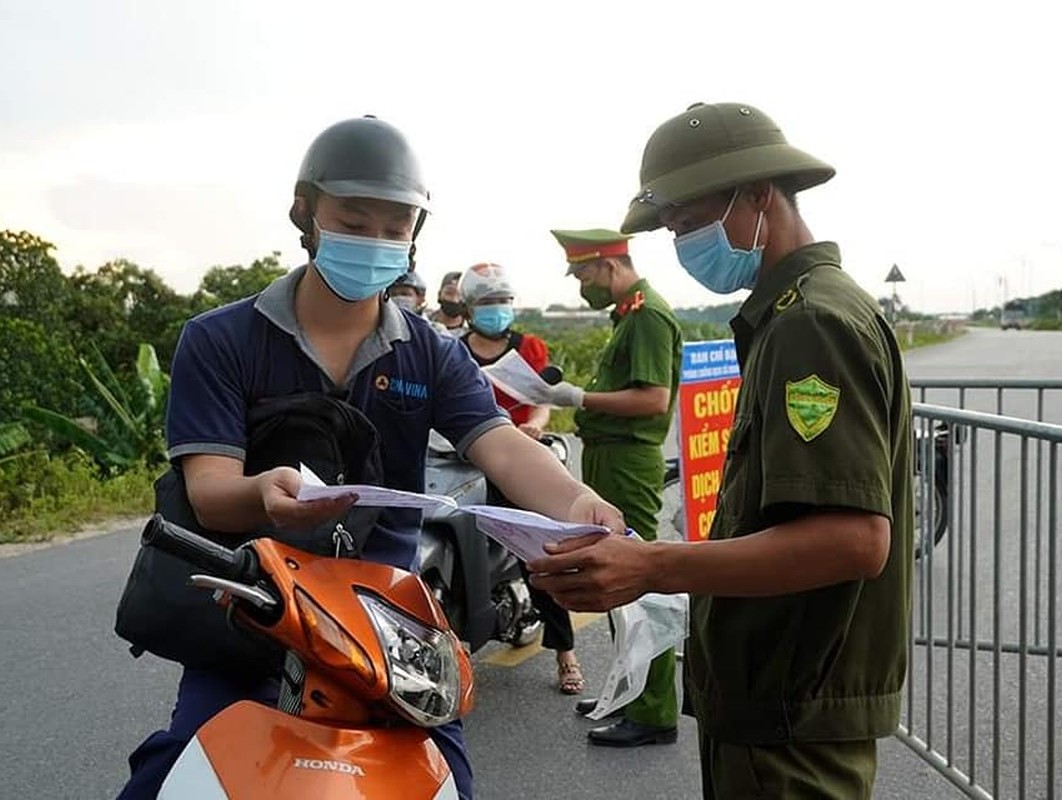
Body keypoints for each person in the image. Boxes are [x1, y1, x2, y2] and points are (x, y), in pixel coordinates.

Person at [116, 115, 624, 800]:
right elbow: (209, 491)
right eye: (355, 221)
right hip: (254, 602)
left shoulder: (429, 351)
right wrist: (265, 491)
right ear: (307, 213)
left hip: (383, 617)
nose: (377, 242)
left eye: (395, 228)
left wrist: (575, 503)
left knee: (445, 781)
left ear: (416, 234)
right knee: (185, 774)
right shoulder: (220, 339)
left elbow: (498, 443)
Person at [530, 102, 914, 799]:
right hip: (780, 697)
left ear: (758, 194)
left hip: (788, 707)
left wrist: (655, 565)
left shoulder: (812, 325)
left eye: (686, 222)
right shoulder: (794, 315)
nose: (680, 242)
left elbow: (854, 539)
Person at [540, 227, 684, 747]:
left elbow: (652, 400)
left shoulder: (647, 316)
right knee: (617, 583)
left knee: (639, 585)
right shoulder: (628, 316)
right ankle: (627, 694)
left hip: (628, 461)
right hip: (609, 458)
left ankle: (653, 712)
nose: (581, 285)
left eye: (582, 273)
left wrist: (579, 397)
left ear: (609, 265)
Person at [456, 261, 583, 695]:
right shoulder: (452, 350)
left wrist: (536, 423)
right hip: (460, 458)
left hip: (519, 455)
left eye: (503, 302)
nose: (497, 310)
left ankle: (565, 652)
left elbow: (541, 400)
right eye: (488, 303)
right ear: (471, 307)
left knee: (538, 550)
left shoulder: (528, 347)